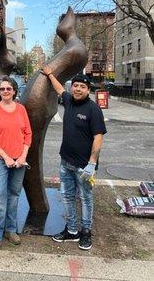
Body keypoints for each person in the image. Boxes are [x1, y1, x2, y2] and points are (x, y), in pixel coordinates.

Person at [41, 66, 106, 250]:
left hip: (84, 166)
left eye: (82, 87)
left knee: (85, 199)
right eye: (75, 85)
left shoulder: (93, 109)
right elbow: (59, 89)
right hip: (66, 162)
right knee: (67, 197)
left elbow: (98, 137)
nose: (78, 89)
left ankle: (86, 232)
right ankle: (71, 231)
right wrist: (50, 74)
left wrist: (92, 164)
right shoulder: (68, 100)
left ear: (88, 90)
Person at [0, 76, 32, 255]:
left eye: (8, 88)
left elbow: (28, 133)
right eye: (2, 89)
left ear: (14, 91)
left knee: (14, 195)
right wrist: (5, 157)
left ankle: (11, 230)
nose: (5, 91)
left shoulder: (21, 110)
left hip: (19, 160)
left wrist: (22, 156)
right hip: (0, 160)